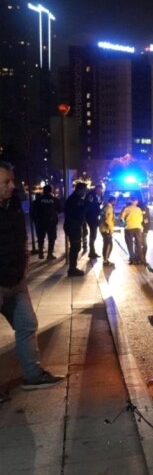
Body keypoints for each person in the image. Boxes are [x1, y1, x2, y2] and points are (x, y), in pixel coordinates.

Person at [0, 160, 64, 389]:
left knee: (27, 325)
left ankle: (32, 374)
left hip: (16, 282)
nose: (12, 186)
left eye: (12, 181)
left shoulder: (13, 205)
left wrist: (24, 265)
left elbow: (20, 239)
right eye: (6, 181)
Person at [64, 182, 88, 277]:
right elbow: (78, 213)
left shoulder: (76, 199)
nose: (85, 192)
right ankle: (72, 269)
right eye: (84, 190)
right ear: (79, 190)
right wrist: (87, 204)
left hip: (75, 226)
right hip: (73, 226)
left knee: (76, 247)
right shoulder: (74, 200)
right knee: (75, 247)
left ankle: (72, 268)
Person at [31, 185, 62, 260]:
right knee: (51, 239)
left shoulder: (38, 200)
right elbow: (60, 209)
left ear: (43, 191)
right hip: (51, 223)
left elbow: (32, 211)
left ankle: (41, 254)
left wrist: (35, 220)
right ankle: (49, 255)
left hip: (40, 223)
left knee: (41, 238)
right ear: (51, 190)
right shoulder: (55, 200)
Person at [120, 195, 145, 265]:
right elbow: (141, 219)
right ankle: (140, 259)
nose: (137, 202)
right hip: (138, 228)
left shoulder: (126, 209)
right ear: (134, 201)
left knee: (130, 244)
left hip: (129, 228)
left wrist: (125, 223)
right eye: (136, 201)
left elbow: (121, 218)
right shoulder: (139, 209)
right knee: (138, 244)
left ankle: (132, 259)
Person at [84, 183, 104, 259]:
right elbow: (89, 205)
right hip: (91, 217)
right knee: (93, 235)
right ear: (96, 189)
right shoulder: (91, 195)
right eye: (99, 189)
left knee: (94, 235)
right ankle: (91, 252)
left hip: (95, 217)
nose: (100, 191)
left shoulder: (99, 196)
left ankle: (92, 251)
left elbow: (99, 205)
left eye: (101, 190)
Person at [99, 195, 116, 267]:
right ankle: (105, 261)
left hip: (102, 228)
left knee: (106, 244)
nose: (115, 203)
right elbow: (108, 220)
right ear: (113, 201)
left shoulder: (104, 207)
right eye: (115, 201)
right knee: (109, 245)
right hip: (106, 230)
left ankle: (106, 260)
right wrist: (110, 230)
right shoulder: (109, 208)